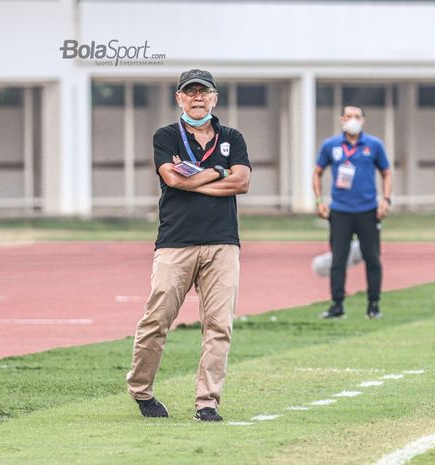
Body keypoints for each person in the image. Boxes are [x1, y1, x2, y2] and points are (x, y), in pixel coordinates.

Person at [126, 69, 251, 422]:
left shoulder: (232, 137)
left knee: (219, 325)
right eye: (190, 92)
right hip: (176, 242)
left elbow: (241, 182)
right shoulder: (166, 135)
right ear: (179, 98)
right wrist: (220, 171)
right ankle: (141, 390)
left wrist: (196, 177)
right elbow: (170, 177)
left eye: (204, 92)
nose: (197, 98)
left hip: (223, 242)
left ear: (215, 98)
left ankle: (207, 402)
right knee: (157, 318)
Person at [312, 105, 392, 319]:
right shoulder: (331, 146)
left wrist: (385, 199)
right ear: (341, 120)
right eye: (349, 116)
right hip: (340, 211)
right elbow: (317, 172)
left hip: (368, 211)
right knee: (338, 259)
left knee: (372, 259)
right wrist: (319, 201)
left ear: (363, 120)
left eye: (357, 116)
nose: (353, 120)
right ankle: (337, 305)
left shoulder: (374, 145)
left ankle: (373, 305)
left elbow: (386, 172)